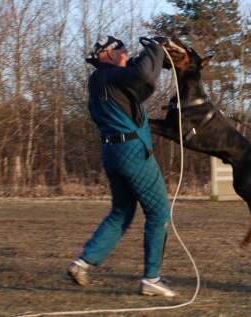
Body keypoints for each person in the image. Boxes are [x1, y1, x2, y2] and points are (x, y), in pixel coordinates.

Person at [67, 35, 175, 297]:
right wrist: (156, 46)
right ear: (108, 54)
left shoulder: (97, 80)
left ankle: (82, 263)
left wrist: (158, 58)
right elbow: (145, 78)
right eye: (122, 50)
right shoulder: (114, 76)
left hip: (111, 153)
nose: (127, 54)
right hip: (133, 152)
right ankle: (152, 278)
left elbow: (138, 67)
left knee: (121, 213)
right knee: (159, 214)